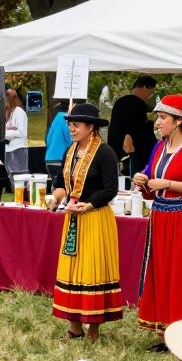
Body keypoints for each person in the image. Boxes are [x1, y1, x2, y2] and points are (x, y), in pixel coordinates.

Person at [133, 95, 182, 345]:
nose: (158, 122)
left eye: (163, 117)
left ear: (178, 121)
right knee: (161, 272)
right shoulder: (159, 147)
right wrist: (142, 180)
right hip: (160, 217)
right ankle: (165, 330)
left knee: (181, 274)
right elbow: (150, 176)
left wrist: (166, 183)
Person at [51, 103, 122, 341]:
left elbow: (111, 188)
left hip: (95, 217)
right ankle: (74, 326)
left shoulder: (105, 153)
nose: (71, 129)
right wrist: (56, 197)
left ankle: (93, 329)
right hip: (73, 217)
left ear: (90, 127)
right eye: (70, 125)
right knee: (71, 270)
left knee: (93, 270)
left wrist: (89, 204)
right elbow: (60, 182)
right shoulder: (69, 152)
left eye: (76, 125)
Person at [107, 75, 157, 178]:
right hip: (131, 156)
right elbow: (131, 132)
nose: (150, 95)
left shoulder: (120, 102)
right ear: (145, 88)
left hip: (116, 154)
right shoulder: (137, 104)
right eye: (151, 91)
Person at [44, 99, 72, 184]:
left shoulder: (55, 119)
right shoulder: (66, 119)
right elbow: (70, 140)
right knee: (63, 188)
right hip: (60, 159)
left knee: (55, 186)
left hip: (49, 159)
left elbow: (47, 139)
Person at [4, 88, 29, 175]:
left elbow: (21, 133)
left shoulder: (19, 112)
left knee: (20, 176)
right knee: (12, 175)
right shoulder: (10, 112)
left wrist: (6, 133)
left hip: (18, 149)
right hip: (9, 149)